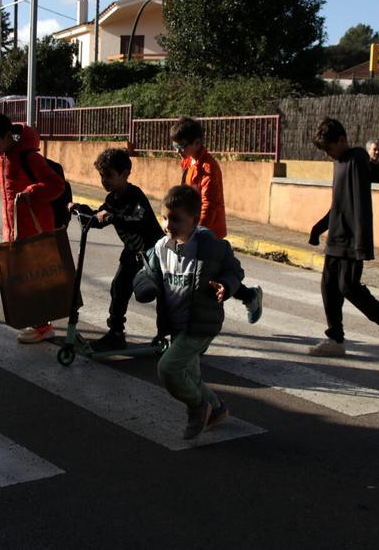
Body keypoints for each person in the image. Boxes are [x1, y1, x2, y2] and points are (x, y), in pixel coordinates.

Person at [133, 185, 242, 439]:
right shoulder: (161, 247)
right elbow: (147, 272)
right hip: (177, 324)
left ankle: (197, 407)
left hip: (201, 324)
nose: (168, 224)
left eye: (176, 219)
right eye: (165, 217)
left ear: (194, 219)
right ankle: (216, 409)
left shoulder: (210, 247)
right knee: (190, 376)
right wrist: (146, 286)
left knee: (168, 369)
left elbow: (235, 271)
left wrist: (226, 286)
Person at [307, 118, 379, 357]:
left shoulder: (357, 159)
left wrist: (361, 243)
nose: (328, 154)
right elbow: (338, 204)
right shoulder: (339, 162)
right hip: (336, 237)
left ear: (341, 140)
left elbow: (360, 203)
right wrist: (320, 227)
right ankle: (335, 339)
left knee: (348, 286)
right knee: (329, 287)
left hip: (352, 238)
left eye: (329, 148)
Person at [0, 111, 66, 344]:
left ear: (7, 136)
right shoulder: (0, 159)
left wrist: (31, 192)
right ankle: (37, 322)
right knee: (23, 280)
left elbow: (56, 185)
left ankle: (43, 327)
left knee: (35, 279)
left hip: (34, 229)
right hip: (14, 229)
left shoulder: (29, 157)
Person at [170, 117, 264, 324]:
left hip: (206, 230)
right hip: (191, 228)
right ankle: (249, 296)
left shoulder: (208, 168)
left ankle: (206, 322)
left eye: (181, 146)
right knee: (210, 275)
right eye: (175, 146)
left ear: (196, 143)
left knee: (209, 278)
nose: (178, 151)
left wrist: (195, 231)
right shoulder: (189, 161)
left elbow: (208, 204)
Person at [84, 148, 165, 352]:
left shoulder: (135, 195)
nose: (105, 181)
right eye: (102, 176)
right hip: (131, 254)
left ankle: (166, 335)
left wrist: (113, 217)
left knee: (162, 297)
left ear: (125, 173)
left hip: (153, 255)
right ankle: (116, 334)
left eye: (109, 176)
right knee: (119, 289)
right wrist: (80, 211)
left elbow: (138, 220)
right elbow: (99, 218)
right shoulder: (113, 199)